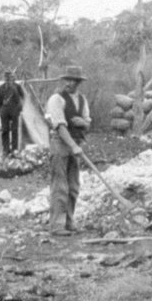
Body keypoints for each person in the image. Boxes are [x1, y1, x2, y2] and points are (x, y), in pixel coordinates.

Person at [44, 65, 91, 236]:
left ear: (79, 82)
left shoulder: (82, 100)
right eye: (68, 80)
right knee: (60, 186)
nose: (71, 83)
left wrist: (83, 123)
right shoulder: (56, 99)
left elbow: (87, 122)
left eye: (75, 81)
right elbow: (60, 126)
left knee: (73, 187)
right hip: (61, 145)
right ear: (64, 81)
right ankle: (57, 225)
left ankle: (69, 222)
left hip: (77, 144)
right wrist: (73, 146)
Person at [0, 70, 25, 156]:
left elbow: (22, 98)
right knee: (5, 130)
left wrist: (19, 109)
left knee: (14, 130)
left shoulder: (17, 87)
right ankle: (6, 149)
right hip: (4, 111)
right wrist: (0, 110)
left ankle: (14, 149)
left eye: (9, 77)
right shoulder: (1, 87)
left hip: (14, 111)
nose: (8, 79)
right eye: (6, 78)